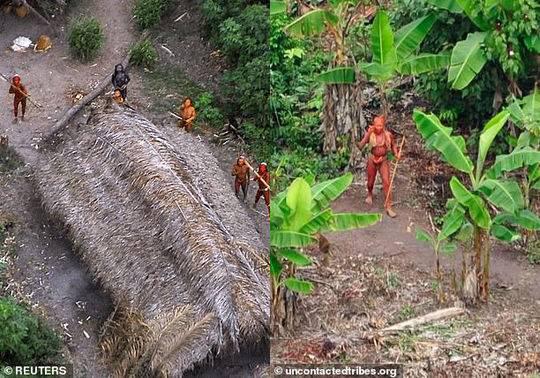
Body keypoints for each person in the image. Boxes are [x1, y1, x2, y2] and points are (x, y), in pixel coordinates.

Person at [357, 115, 402, 218]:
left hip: (384, 160)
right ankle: (369, 194)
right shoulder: (370, 134)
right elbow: (360, 146)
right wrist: (367, 134)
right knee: (370, 181)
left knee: (386, 181)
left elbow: (394, 145)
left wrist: (396, 154)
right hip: (372, 159)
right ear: (373, 125)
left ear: (383, 125)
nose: (378, 128)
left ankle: (389, 206)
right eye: (376, 126)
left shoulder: (388, 135)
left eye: (380, 126)